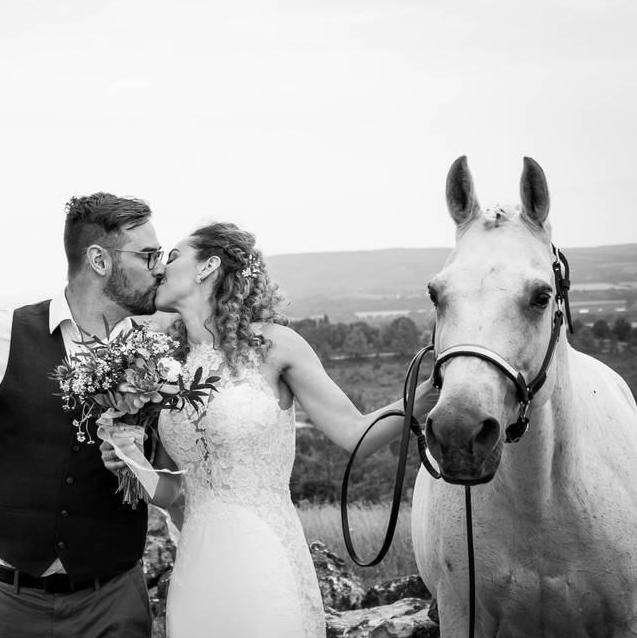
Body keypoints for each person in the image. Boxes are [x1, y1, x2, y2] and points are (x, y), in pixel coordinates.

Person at [101, 222, 437, 638]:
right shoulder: (166, 368)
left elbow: (355, 433)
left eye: (171, 257)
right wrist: (129, 460)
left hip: (264, 559)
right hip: (196, 567)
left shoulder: (277, 346)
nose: (159, 269)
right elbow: (173, 495)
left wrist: (424, 395)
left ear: (208, 266)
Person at [0, 193, 164, 637]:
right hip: (12, 603)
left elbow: (181, 467)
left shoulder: (159, 349)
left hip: (115, 602)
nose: (159, 266)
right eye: (148, 254)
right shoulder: (6, 333)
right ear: (99, 260)